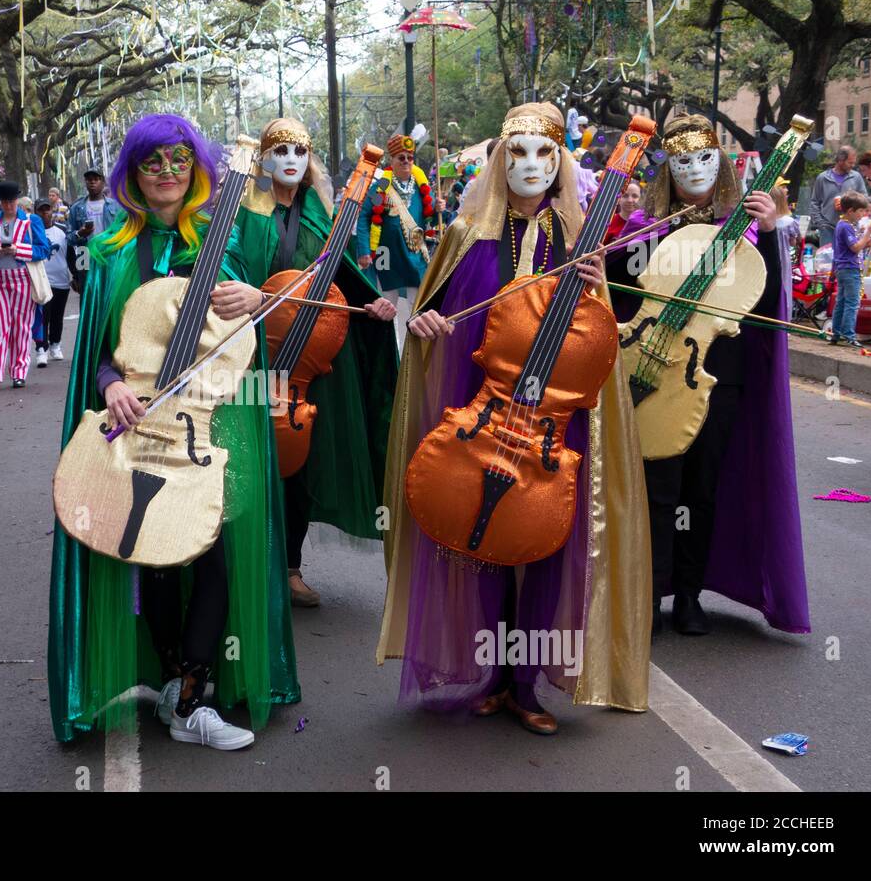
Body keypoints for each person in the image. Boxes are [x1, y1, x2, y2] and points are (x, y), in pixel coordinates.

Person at [377, 103, 652, 734]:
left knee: (547, 541)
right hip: (485, 410)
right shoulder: (464, 236)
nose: (531, 165)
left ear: (561, 165)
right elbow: (435, 313)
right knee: (483, 544)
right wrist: (423, 324)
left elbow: (610, 328)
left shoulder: (581, 242)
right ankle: (495, 675)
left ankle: (529, 685)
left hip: (556, 419)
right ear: (502, 159)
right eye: (519, 152)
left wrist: (598, 280)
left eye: (544, 153)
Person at [48, 113, 299, 749]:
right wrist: (109, 385)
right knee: (151, 555)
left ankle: (191, 699)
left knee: (210, 550)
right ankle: (172, 683)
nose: (166, 173)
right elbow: (103, 351)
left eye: (179, 162)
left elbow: (249, 336)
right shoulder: (108, 254)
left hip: (208, 426)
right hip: (136, 422)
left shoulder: (223, 241)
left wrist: (252, 300)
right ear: (132, 173)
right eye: (152, 162)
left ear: (197, 172)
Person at [612, 114, 809, 637]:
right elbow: (619, 302)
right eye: (682, 162)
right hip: (652, 365)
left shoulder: (742, 230)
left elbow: (763, 304)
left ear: (720, 166)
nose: (694, 171)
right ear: (667, 171)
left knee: (701, 489)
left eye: (704, 159)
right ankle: (650, 593)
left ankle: (690, 596)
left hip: (714, 374)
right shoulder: (642, 229)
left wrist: (767, 234)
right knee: (657, 489)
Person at [232, 117, 399, 608]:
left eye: (299, 152)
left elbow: (341, 276)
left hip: (308, 360)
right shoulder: (245, 211)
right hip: (254, 352)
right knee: (251, 458)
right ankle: (249, 566)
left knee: (299, 462)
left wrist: (374, 305)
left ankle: (290, 568)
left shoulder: (321, 215)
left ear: (309, 162)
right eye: (279, 150)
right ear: (263, 158)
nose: (289, 159)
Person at [0, 181, 49, 391]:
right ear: (0, 202)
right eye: (5, 201)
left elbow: (43, 249)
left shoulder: (32, 221)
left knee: (22, 327)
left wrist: (18, 250)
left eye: (11, 201)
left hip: (23, 278)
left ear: (17, 200)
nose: (8, 205)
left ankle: (19, 373)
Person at [355, 133, 442, 300]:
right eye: (401, 157)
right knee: (386, 305)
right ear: (391, 161)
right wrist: (364, 250)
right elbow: (365, 217)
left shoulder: (422, 187)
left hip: (414, 253)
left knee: (416, 307)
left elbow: (431, 215)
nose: (406, 161)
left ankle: (411, 328)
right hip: (386, 254)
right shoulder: (380, 186)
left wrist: (440, 209)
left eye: (410, 157)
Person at [830, 190, 871, 348]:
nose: (863, 214)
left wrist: (864, 240)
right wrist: (868, 234)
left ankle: (836, 333)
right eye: (861, 211)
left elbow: (855, 245)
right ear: (850, 211)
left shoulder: (845, 225)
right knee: (852, 303)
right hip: (850, 268)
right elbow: (855, 247)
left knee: (841, 302)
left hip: (843, 268)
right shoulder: (846, 226)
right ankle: (849, 334)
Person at [66, 168, 123, 289]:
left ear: (103, 182)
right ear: (85, 183)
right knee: (86, 292)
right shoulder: (76, 207)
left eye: (96, 179)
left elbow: (123, 232)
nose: (92, 182)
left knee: (109, 291)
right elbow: (69, 239)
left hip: (108, 252)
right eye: (89, 180)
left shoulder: (115, 206)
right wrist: (80, 233)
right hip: (84, 254)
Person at [35, 199, 72, 361]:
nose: (45, 213)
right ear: (36, 213)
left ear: (52, 211)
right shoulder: (31, 231)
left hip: (61, 280)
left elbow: (71, 253)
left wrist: (76, 275)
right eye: (41, 210)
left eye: (47, 210)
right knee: (42, 317)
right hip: (41, 281)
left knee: (57, 316)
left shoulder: (63, 230)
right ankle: (41, 349)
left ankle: (55, 344)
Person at [808, 146, 867, 247]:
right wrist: (821, 224)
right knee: (827, 260)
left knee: (849, 258)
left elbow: (864, 198)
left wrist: (851, 200)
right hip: (828, 228)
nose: (852, 165)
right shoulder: (822, 178)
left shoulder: (856, 177)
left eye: (854, 162)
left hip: (850, 227)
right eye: (850, 162)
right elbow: (814, 202)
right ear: (840, 160)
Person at [603, 178, 642, 245]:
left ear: (641, 199)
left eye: (635, 196)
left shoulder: (646, 225)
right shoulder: (608, 222)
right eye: (625, 196)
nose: (629, 200)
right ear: (619, 198)